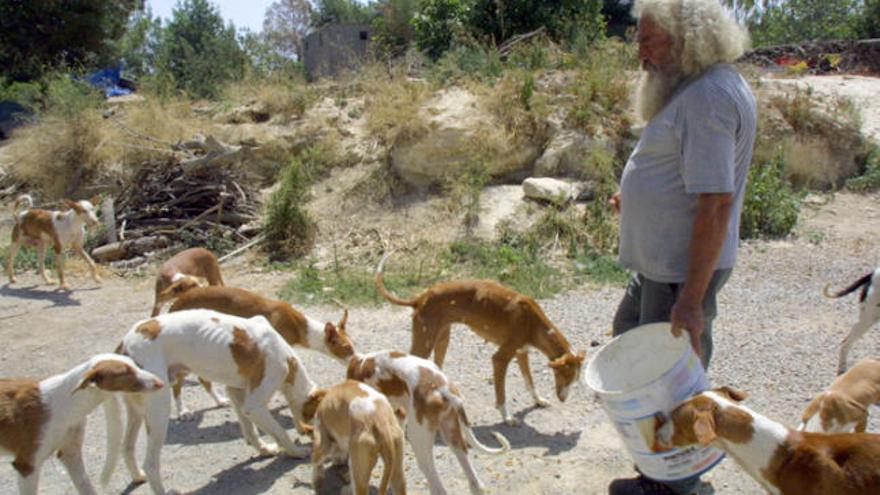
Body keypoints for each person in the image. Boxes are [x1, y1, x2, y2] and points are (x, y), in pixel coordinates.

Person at [607, 0, 757, 494]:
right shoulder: (693, 89)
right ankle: (660, 470)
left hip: (679, 272)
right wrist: (635, 193)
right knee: (630, 339)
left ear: (689, 39)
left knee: (668, 380)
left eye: (650, 38)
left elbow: (715, 204)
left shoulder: (707, 98)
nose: (640, 49)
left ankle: (676, 483)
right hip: (662, 265)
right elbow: (684, 173)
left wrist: (691, 300)